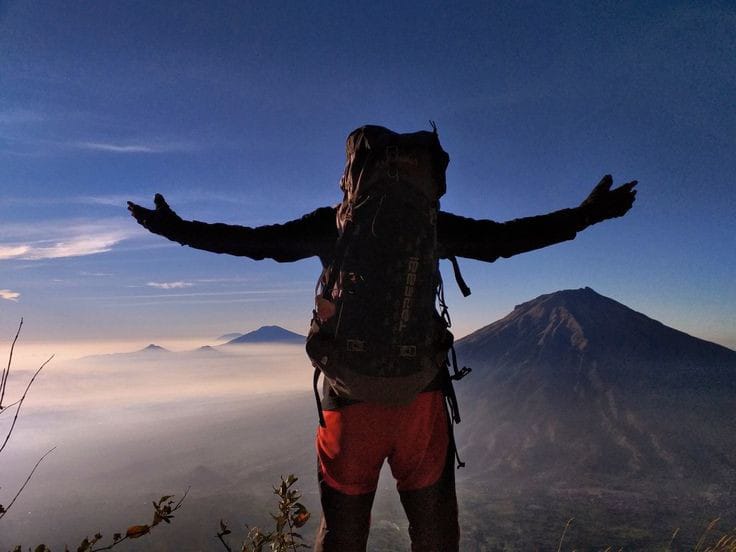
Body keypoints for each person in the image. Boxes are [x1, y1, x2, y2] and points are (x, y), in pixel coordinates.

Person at [128, 125, 637, 552]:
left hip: (348, 408)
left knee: (343, 538)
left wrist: (178, 229)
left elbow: (252, 244)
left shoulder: (334, 226)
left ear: (351, 174)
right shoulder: (431, 225)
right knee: (435, 536)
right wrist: (585, 215)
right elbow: (503, 241)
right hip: (421, 401)